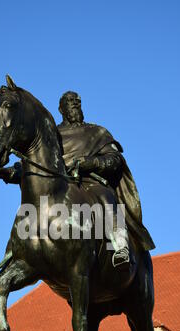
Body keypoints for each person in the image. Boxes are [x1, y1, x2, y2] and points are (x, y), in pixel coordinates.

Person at [57, 91, 155, 268]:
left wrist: (92, 162)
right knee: (32, 209)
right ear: (60, 108)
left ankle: (120, 246)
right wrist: (11, 172)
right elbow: (38, 160)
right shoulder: (53, 135)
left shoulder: (96, 132)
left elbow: (115, 159)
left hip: (91, 183)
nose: (75, 103)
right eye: (70, 101)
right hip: (64, 185)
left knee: (105, 198)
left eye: (78, 101)